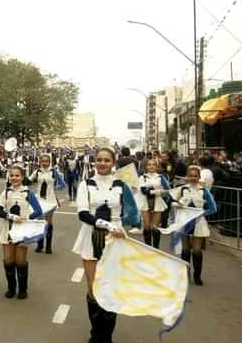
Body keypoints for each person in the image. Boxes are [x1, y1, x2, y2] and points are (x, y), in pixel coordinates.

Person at [72, 147, 135, 343]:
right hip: (91, 238)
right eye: (99, 159)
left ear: (113, 162)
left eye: (106, 160)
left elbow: (133, 213)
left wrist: (124, 224)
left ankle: (107, 336)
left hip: (115, 240)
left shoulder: (121, 184)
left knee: (110, 287)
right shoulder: (86, 184)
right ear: (94, 161)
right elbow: (83, 213)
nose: (102, 163)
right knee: (93, 289)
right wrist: (108, 225)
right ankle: (96, 333)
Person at [0, 164, 43, 299]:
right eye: (12, 175)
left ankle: (22, 289)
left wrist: (26, 219)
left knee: (20, 260)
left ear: (22, 177)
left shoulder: (28, 193)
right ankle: (11, 287)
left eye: (17, 175)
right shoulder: (6, 193)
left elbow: (38, 211)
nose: (14, 178)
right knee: (8, 259)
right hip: (7, 228)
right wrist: (11, 216)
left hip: (22, 230)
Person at [169, 165, 217, 286]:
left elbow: (213, 208)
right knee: (185, 250)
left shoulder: (204, 191)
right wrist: (177, 205)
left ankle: (197, 275)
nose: (193, 178)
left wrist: (201, 213)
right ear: (187, 177)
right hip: (184, 221)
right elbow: (171, 201)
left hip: (198, 222)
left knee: (196, 250)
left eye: (195, 176)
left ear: (199, 177)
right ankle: (185, 274)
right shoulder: (182, 189)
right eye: (191, 176)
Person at [29, 153, 66, 254]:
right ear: (40, 162)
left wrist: (53, 190)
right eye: (42, 161)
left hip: (50, 200)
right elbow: (28, 181)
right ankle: (40, 245)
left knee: (48, 223)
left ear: (49, 162)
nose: (44, 163)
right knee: (40, 222)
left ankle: (48, 247)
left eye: (46, 161)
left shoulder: (53, 172)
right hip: (39, 200)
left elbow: (63, 184)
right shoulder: (37, 171)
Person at [135, 158, 170, 249]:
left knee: (155, 227)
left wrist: (161, 192)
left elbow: (167, 189)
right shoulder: (143, 177)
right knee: (146, 226)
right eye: (149, 164)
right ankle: (148, 248)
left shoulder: (161, 177)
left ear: (156, 166)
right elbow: (143, 190)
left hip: (157, 202)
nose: (151, 166)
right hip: (145, 202)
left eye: (154, 164)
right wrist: (154, 191)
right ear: (146, 166)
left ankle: (156, 248)